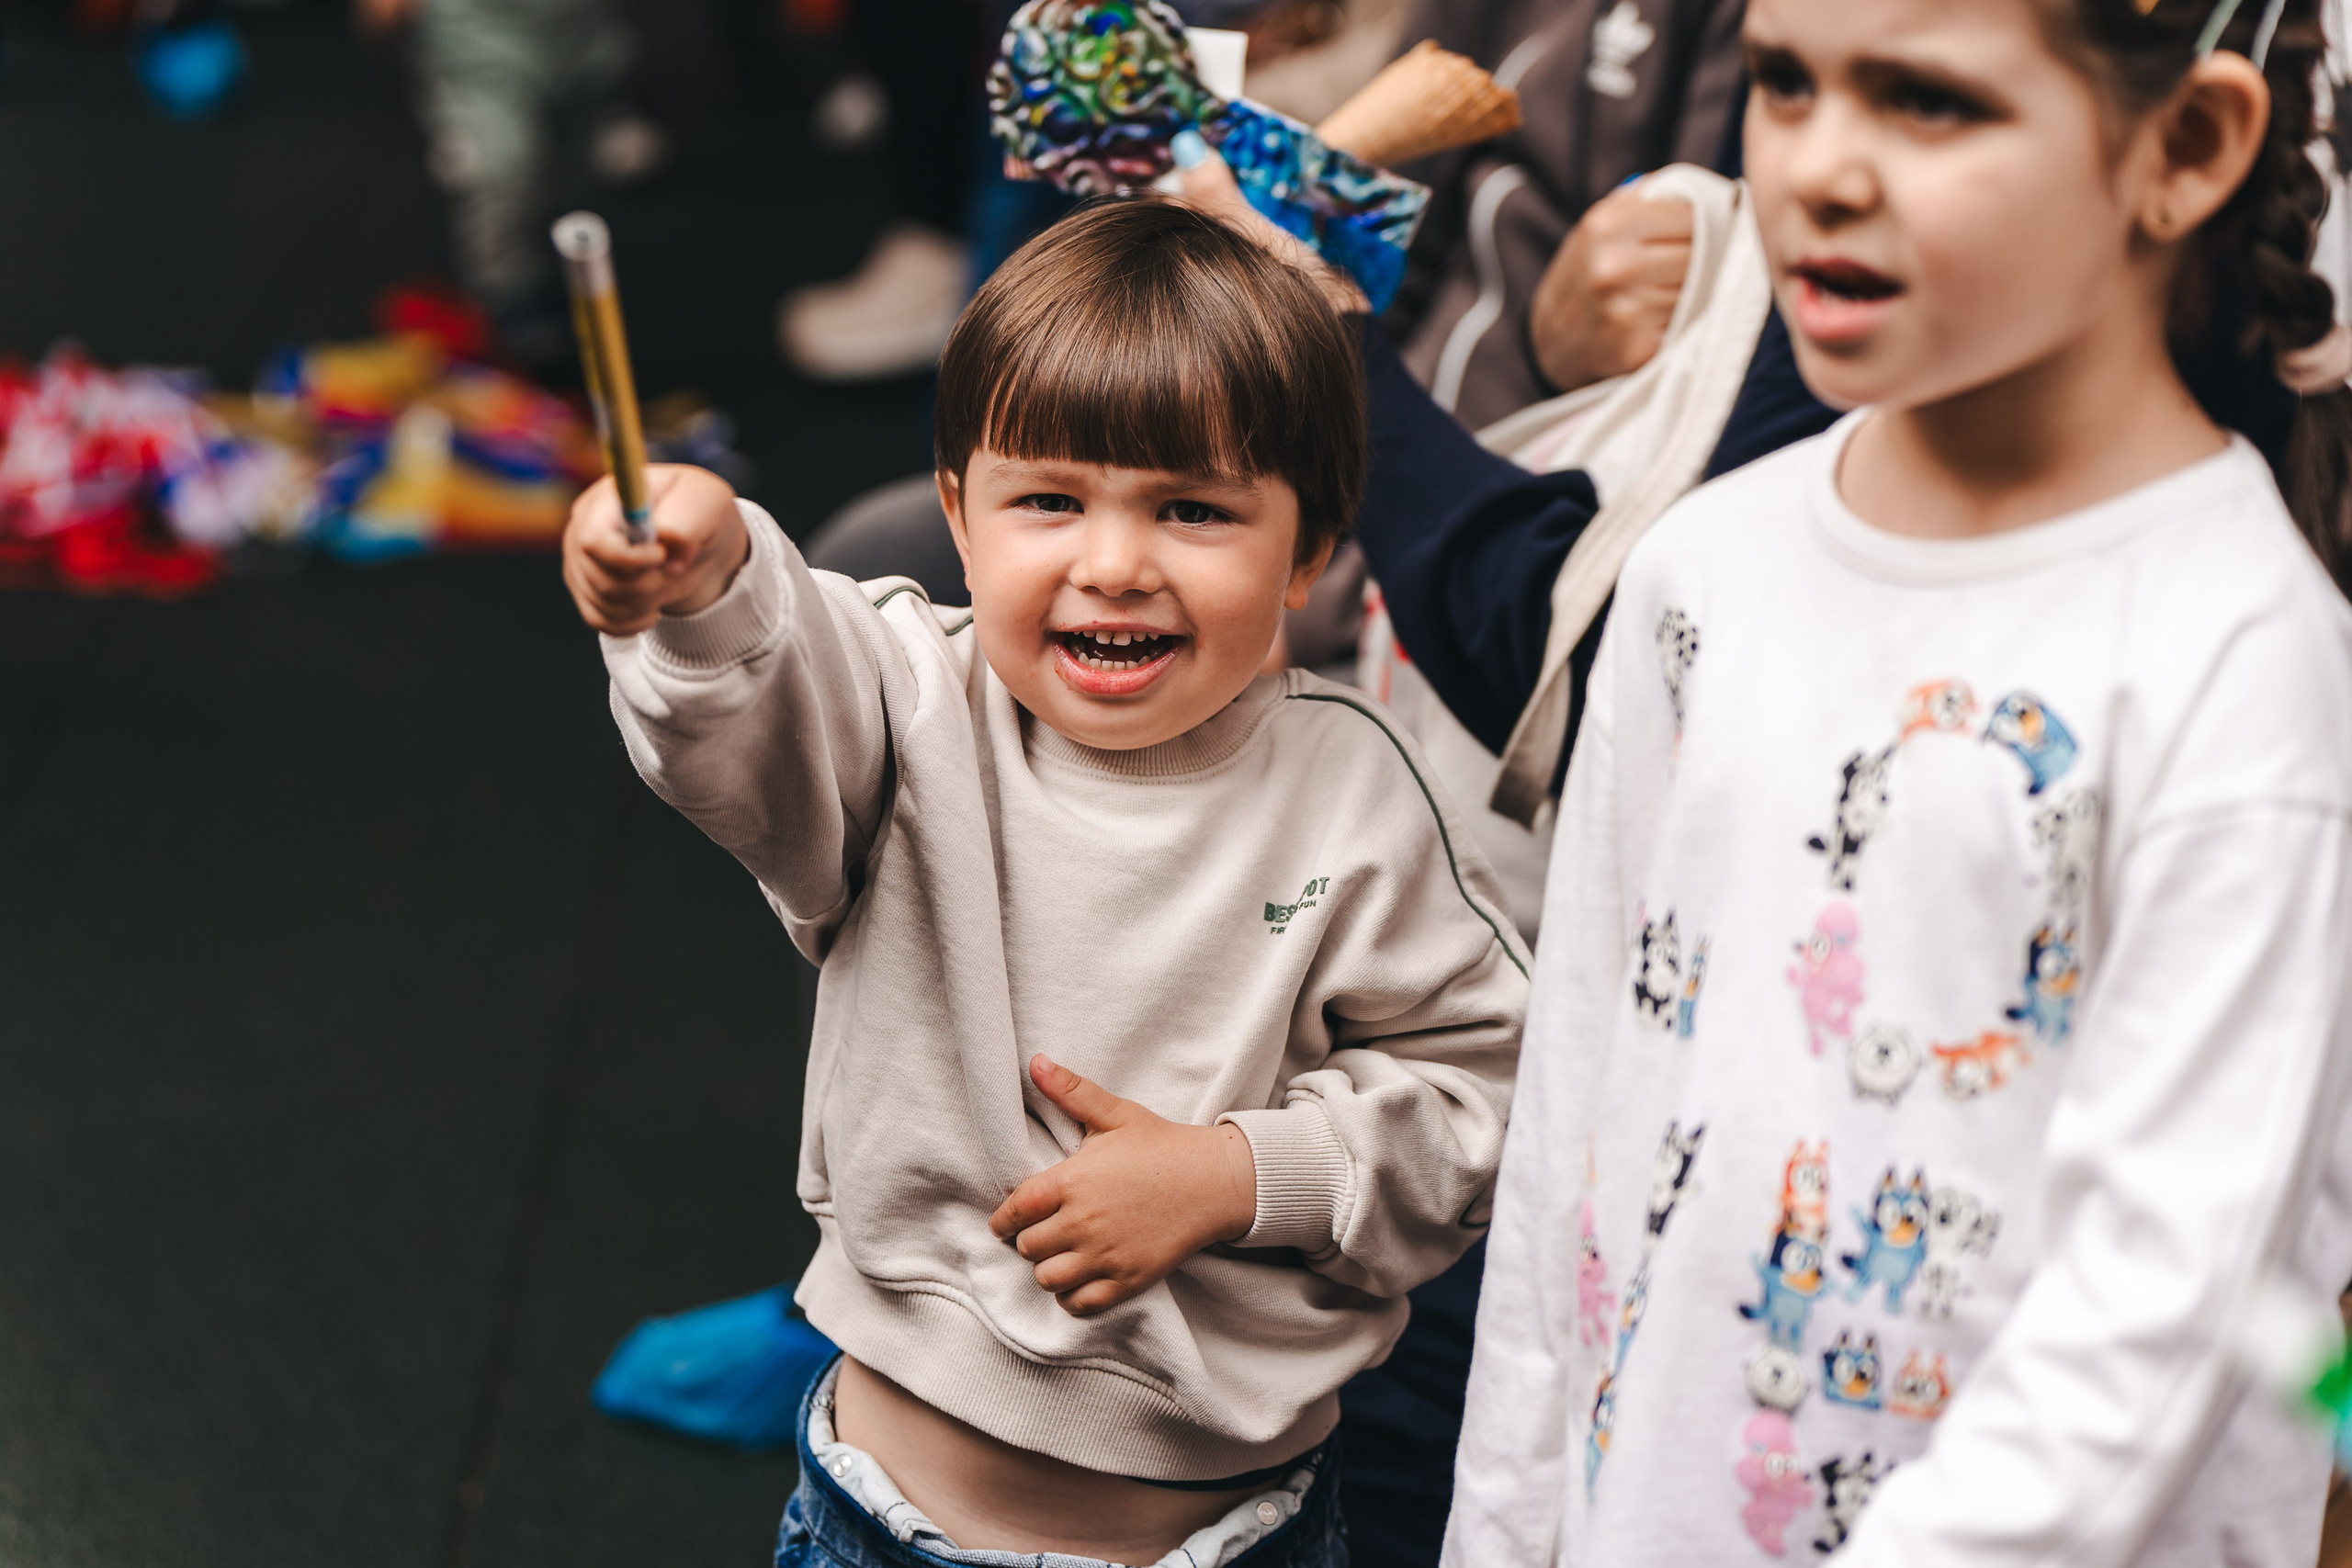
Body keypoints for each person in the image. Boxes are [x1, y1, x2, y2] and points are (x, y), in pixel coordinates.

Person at [1442, 0, 2352, 1562]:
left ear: (2185, 149)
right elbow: (1570, 1156)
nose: (1820, 170)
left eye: (1928, 102)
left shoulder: (2244, 659)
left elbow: (2166, 1315)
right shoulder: (1703, 571)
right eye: (1789, 82)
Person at [561, 197, 1527, 1566]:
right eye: (1049, 501)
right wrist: (707, 571)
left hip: (1233, 1540)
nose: (1115, 564)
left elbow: (1485, 1096)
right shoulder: (905, 703)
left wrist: (1237, 1174)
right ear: (960, 517)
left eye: (1193, 508)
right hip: (874, 1524)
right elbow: (759, 686)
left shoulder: (1361, 796)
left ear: (1310, 549)